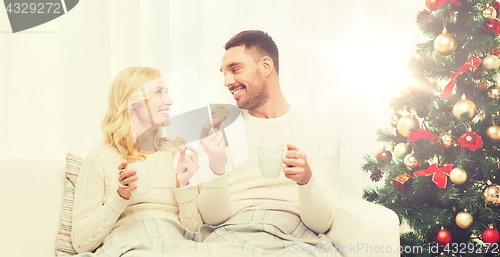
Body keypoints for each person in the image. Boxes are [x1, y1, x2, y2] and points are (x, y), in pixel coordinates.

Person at [197, 30, 341, 256]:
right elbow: (212, 218)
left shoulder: (319, 128)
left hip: (295, 237)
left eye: (235, 70)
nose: (227, 82)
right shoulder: (218, 127)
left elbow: (321, 223)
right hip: (231, 236)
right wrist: (217, 167)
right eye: (224, 73)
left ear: (266, 66)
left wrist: (306, 181)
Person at [71, 67, 228, 256]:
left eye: (167, 93)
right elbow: (81, 242)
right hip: (128, 248)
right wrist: (120, 196)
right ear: (133, 103)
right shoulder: (100, 158)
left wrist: (182, 186)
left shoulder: (176, 157)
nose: (169, 101)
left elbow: (193, 231)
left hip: (177, 248)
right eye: (159, 92)